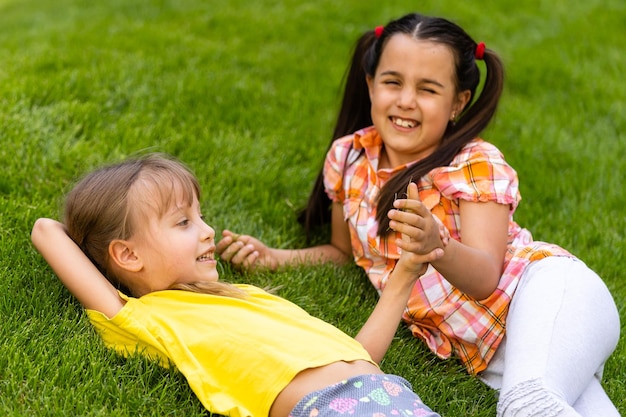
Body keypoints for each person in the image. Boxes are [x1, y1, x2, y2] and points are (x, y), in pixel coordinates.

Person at [216, 12, 621, 417]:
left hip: (547, 295)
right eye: (393, 82)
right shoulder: (348, 157)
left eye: (427, 89)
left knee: (527, 404)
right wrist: (274, 257)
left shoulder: (473, 163)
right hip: (498, 355)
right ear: (371, 85)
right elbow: (344, 250)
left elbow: (485, 278)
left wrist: (437, 247)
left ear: (458, 103)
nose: (406, 100)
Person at [30, 153, 446, 417]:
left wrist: (404, 275)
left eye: (199, 216)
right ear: (128, 255)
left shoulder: (248, 297)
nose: (208, 230)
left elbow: (358, 355)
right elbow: (46, 230)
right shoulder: (144, 316)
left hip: (392, 394)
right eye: (183, 223)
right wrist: (95, 232)